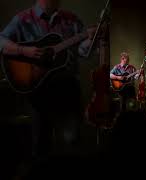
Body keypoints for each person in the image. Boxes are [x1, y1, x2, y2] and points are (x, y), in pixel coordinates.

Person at [0, 0, 96, 164]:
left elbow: (82, 51)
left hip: (68, 89)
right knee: (41, 145)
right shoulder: (23, 19)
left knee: (72, 142)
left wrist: (91, 39)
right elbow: (1, 41)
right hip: (38, 91)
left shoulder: (71, 19)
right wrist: (24, 50)